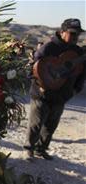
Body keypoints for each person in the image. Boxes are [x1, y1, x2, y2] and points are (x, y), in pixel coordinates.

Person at [24, 18, 86, 160]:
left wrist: (75, 90)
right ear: (62, 32)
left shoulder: (78, 52)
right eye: (72, 33)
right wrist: (39, 86)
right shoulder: (49, 47)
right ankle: (29, 149)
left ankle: (41, 149)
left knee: (51, 124)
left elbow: (81, 74)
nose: (76, 37)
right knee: (36, 123)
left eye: (78, 34)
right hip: (42, 93)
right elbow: (32, 68)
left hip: (62, 94)